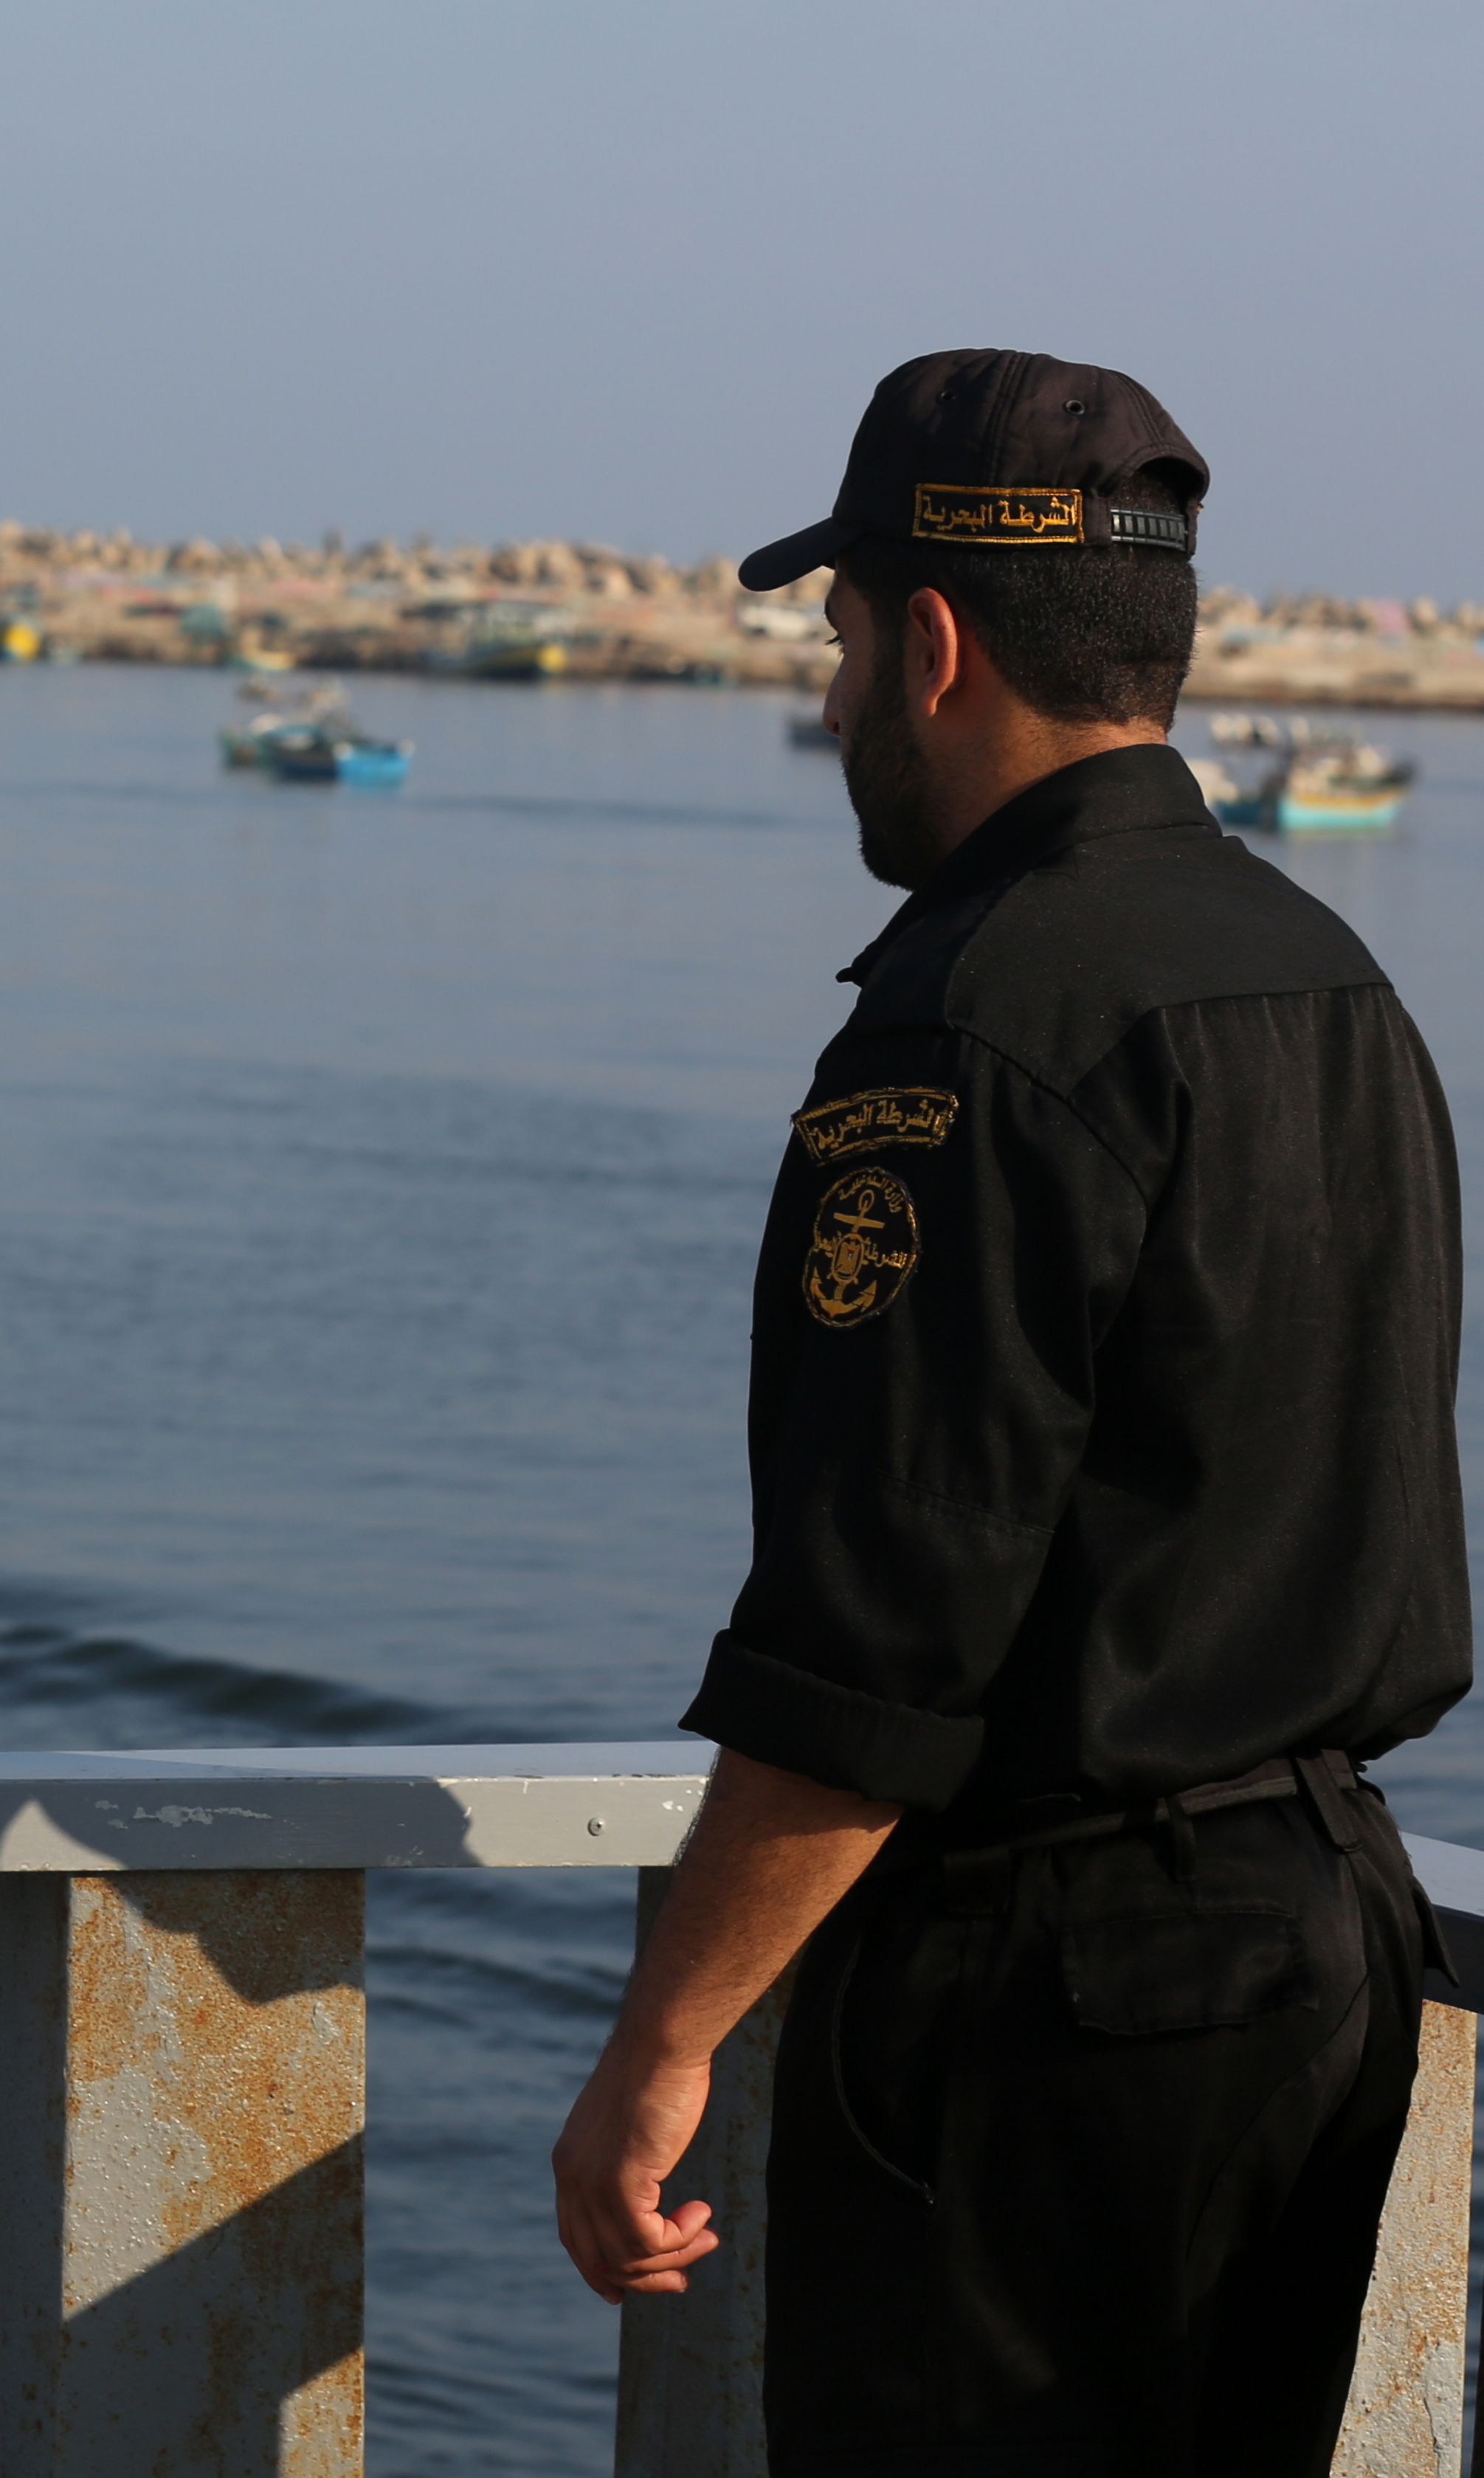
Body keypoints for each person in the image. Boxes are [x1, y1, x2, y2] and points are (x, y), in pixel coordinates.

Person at [548, 351, 1465, 2476]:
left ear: (932, 641)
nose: (844, 684)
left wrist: (660, 2044)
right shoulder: (1329, 980)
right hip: (1320, 1964)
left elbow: (881, 1628)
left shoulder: (977, 1022)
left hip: (1064, 2008)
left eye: (847, 632)